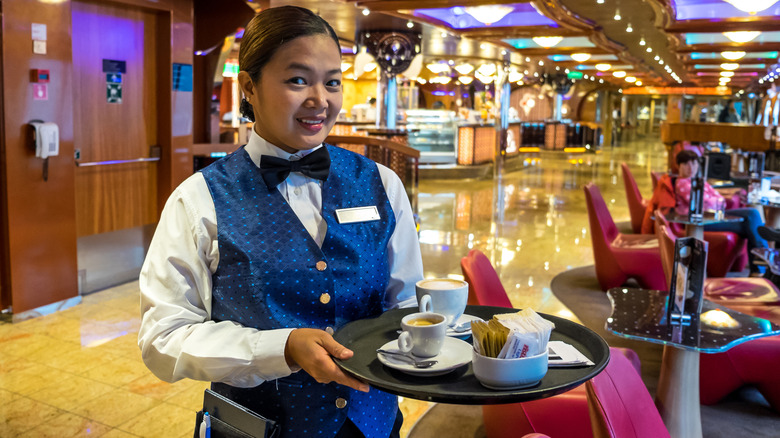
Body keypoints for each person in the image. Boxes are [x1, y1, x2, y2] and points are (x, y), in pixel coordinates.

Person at [137, 6, 424, 438]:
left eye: (331, 82)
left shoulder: (381, 184)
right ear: (249, 86)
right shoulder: (198, 199)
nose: (319, 100)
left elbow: (403, 306)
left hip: (371, 422)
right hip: (260, 426)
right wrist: (279, 348)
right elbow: (163, 338)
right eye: (297, 80)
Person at [673, 151, 766, 270]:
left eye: (694, 163)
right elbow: (703, 203)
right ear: (678, 166)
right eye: (686, 164)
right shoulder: (682, 183)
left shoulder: (699, 181)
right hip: (701, 221)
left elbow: (718, 198)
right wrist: (715, 202)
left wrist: (715, 202)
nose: (691, 167)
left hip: (713, 216)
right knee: (751, 222)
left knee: (752, 214)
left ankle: (760, 267)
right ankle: (762, 266)